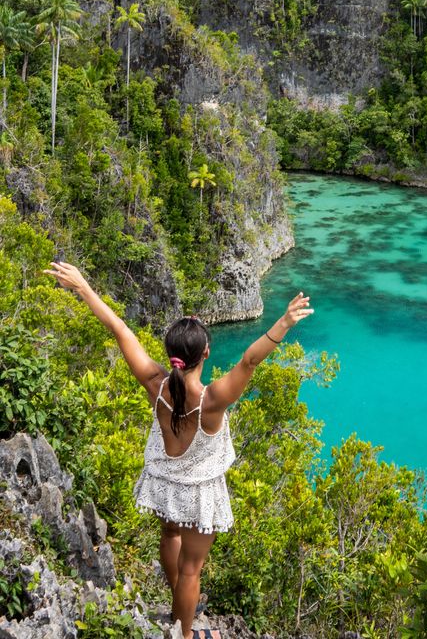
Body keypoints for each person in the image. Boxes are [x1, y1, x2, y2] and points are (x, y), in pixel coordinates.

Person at [44, 260, 313, 639]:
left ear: (171, 354)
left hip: (164, 485)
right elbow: (250, 360)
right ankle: (186, 634)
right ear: (205, 354)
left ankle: (177, 606)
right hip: (198, 493)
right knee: (192, 570)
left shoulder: (155, 383)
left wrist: (84, 287)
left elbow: (119, 329)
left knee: (169, 536)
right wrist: (284, 322)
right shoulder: (213, 400)